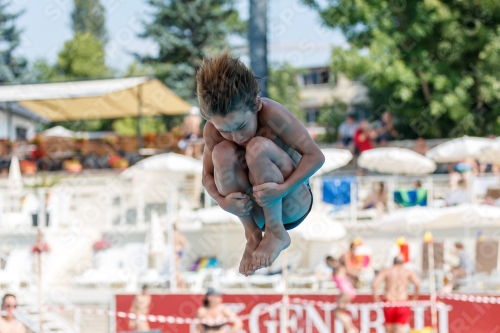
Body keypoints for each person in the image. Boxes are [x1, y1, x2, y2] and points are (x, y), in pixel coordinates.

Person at [198, 51, 325, 276]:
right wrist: (222, 202)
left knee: (257, 147)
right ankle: (253, 235)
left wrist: (282, 189)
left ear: (256, 104)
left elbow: (316, 157)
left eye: (241, 126)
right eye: (224, 130)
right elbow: (207, 177)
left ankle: (276, 232)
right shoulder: (212, 131)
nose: (236, 137)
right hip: (256, 210)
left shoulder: (273, 115)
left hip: (290, 203)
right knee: (222, 152)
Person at [372, 255, 421, 333]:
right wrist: (414, 298)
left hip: (389, 303)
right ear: (403, 263)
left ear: (393, 262)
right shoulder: (407, 272)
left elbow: (375, 284)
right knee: (399, 329)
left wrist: (376, 298)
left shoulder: (387, 271)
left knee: (389, 330)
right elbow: (418, 284)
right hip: (402, 302)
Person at [327, 257, 358, 333]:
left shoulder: (338, 268)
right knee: (340, 312)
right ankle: (351, 328)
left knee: (338, 312)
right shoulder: (342, 269)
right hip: (348, 291)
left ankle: (351, 329)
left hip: (345, 292)